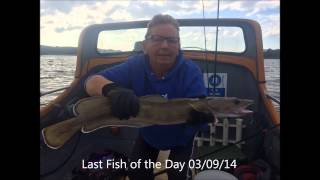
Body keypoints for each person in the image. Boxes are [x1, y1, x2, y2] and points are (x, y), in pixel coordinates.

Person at [85, 14, 213, 180]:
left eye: (172, 40)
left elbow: (200, 103)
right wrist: (112, 90)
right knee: (137, 172)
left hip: (182, 137)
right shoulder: (135, 65)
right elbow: (90, 82)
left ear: (179, 46)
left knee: (177, 174)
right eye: (157, 39)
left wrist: (201, 116)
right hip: (149, 134)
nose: (165, 46)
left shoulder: (191, 71)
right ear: (145, 45)